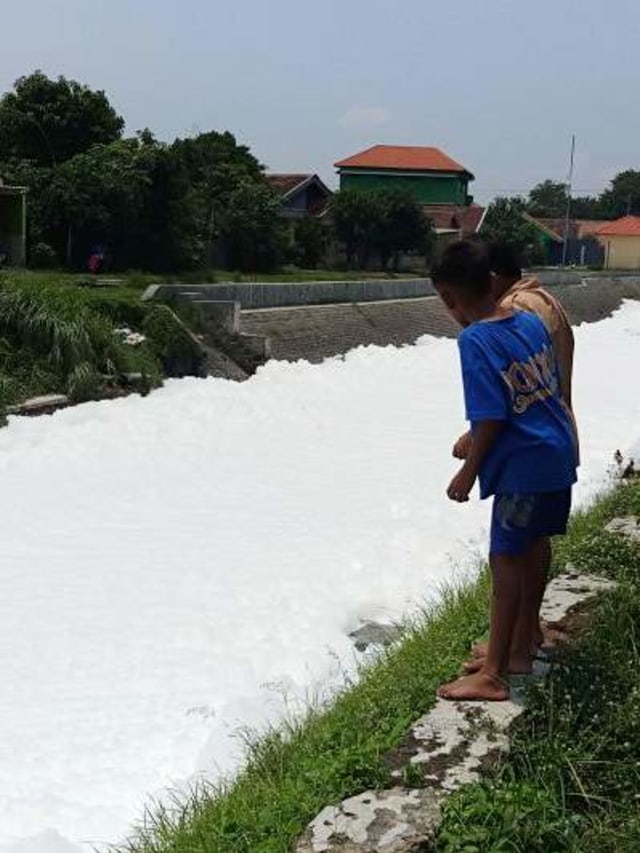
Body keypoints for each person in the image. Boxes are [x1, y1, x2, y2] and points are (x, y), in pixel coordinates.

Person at [431, 240, 577, 701]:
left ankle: (492, 674)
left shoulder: (475, 339)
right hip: (558, 453)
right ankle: (518, 649)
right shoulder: (530, 322)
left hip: (524, 469)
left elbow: (490, 416)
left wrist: (467, 473)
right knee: (533, 551)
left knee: (505, 563)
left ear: (450, 299)